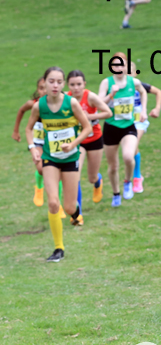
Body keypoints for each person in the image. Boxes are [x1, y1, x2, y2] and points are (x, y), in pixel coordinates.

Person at [25, 67, 93, 262]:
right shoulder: (39, 106)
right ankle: (58, 249)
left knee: (69, 207)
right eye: (51, 81)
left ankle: (76, 213)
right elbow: (29, 129)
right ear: (44, 83)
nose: (55, 85)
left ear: (63, 84)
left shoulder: (71, 103)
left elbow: (87, 127)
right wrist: (33, 149)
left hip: (70, 158)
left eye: (59, 82)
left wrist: (72, 144)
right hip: (50, 159)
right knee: (53, 202)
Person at [98, 52, 148, 207]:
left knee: (128, 156)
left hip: (128, 126)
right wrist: (111, 94)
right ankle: (116, 193)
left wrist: (144, 110)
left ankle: (127, 182)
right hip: (111, 127)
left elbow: (143, 92)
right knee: (113, 167)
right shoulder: (106, 83)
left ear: (126, 66)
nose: (118, 68)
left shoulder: (133, 82)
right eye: (115, 65)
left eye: (121, 65)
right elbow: (99, 103)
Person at [68, 70, 112, 222]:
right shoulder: (66, 99)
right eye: (72, 84)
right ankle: (77, 213)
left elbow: (108, 113)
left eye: (79, 84)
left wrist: (90, 117)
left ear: (84, 84)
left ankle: (98, 181)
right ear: (68, 85)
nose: (76, 88)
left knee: (91, 177)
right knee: (76, 176)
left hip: (94, 139)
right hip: (77, 141)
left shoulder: (90, 97)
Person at [13, 78, 49, 207]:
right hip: (38, 142)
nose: (44, 91)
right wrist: (16, 131)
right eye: (41, 88)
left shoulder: (59, 103)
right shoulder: (33, 104)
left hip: (53, 142)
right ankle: (39, 186)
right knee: (41, 169)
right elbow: (21, 110)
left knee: (56, 172)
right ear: (37, 90)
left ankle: (59, 206)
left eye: (46, 87)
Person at [128, 62, 161, 192]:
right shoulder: (119, 87)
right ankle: (135, 177)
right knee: (130, 149)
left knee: (133, 145)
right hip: (125, 122)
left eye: (130, 72)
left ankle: (137, 177)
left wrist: (157, 108)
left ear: (135, 74)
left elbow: (158, 92)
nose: (127, 75)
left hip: (140, 121)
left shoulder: (139, 85)